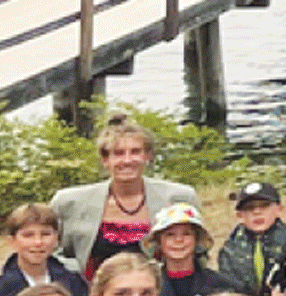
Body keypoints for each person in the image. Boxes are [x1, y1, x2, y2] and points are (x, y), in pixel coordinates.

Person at [50, 112, 198, 278]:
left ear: (148, 156)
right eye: (118, 153)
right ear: (105, 160)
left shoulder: (179, 197)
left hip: (162, 290)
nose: (127, 160)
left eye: (135, 152)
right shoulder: (69, 202)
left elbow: (197, 254)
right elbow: (52, 256)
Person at [213, 181, 286, 296]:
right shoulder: (230, 249)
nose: (257, 212)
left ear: (279, 209)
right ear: (239, 215)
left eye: (264, 205)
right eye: (249, 208)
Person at [0, 203, 89, 296]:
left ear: (56, 238)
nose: (38, 242)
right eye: (28, 235)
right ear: (12, 241)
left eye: (45, 234)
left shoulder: (75, 283)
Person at [147, 203, 224, 296]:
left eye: (186, 234)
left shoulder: (220, 284)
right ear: (159, 242)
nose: (179, 240)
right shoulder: (147, 287)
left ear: (197, 240)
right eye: (170, 235)